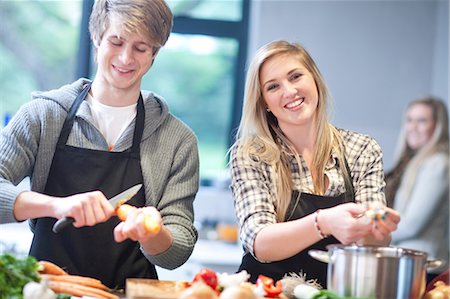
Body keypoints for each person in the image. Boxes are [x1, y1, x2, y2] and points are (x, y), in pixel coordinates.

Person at [0, 0, 199, 289]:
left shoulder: (177, 140)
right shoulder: (43, 115)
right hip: (47, 290)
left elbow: (177, 253)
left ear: (154, 53)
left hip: (128, 294)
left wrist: (152, 233)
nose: (126, 58)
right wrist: (56, 206)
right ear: (96, 37)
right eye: (116, 42)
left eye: (140, 48)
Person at [229, 40, 400, 287]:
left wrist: (378, 228)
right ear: (264, 101)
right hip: (266, 291)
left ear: (315, 79)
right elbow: (259, 243)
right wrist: (325, 222)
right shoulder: (250, 154)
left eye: (296, 76)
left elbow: (373, 245)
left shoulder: (362, 149)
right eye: (273, 86)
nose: (289, 91)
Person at [386, 97, 449, 283]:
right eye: (409, 120)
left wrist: (372, 234)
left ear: (437, 126)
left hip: (424, 266)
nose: (413, 127)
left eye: (422, 121)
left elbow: (412, 224)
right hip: (411, 263)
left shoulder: (438, 164)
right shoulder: (413, 163)